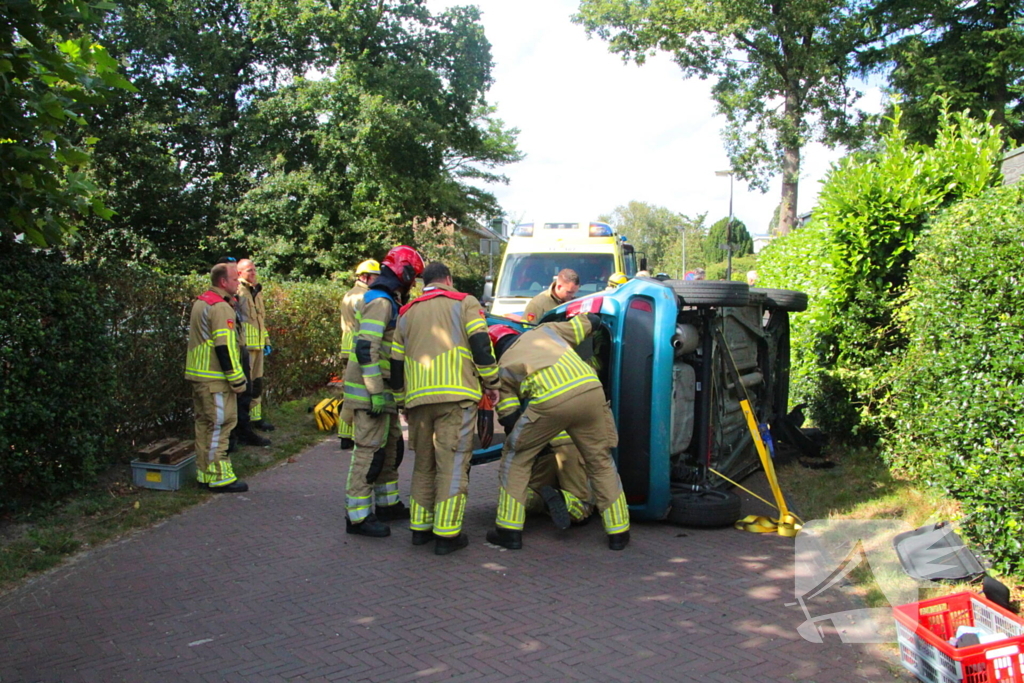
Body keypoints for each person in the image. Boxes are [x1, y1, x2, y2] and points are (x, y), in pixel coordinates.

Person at [486, 316, 631, 551]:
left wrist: (525, 438)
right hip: (590, 391)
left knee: (516, 458)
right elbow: (590, 321)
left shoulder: (502, 367)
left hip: (550, 402)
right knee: (600, 461)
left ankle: (508, 530)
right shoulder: (547, 331)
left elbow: (510, 417)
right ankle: (619, 532)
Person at [390, 262, 500, 555]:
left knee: (424, 464)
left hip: (418, 401)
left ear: (424, 282)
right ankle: (447, 535)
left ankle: (420, 529)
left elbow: (396, 362)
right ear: (449, 279)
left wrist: (402, 400)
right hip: (457, 397)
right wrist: (492, 382)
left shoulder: (406, 312)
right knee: (452, 464)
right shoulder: (465, 302)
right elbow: (480, 344)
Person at [342, 246, 424, 537]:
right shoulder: (380, 301)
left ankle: (387, 505)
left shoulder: (388, 298)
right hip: (370, 392)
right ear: (403, 271)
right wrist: (375, 390)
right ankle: (358, 518)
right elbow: (367, 346)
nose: (413, 283)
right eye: (413, 276)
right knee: (369, 453)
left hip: (383, 390)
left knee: (390, 449)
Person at [184, 263, 249, 493]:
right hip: (215, 380)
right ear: (223, 282)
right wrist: (237, 380)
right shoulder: (220, 308)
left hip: (200, 376)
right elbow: (225, 347)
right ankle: (220, 476)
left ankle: (204, 473)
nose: (238, 283)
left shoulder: (202, 301)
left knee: (204, 426)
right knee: (221, 426)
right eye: (234, 279)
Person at [337, 259, 380, 449]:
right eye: (375, 277)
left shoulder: (349, 294)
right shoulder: (364, 297)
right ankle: (350, 435)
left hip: (347, 345)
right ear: (365, 277)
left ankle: (345, 434)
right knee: (359, 394)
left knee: (349, 392)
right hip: (357, 347)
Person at [525, 433, 594, 528]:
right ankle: (564, 500)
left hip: (540, 445)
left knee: (537, 492)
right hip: (571, 445)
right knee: (583, 504)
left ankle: (524, 499)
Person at [237, 259, 274, 432]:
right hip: (245, 347)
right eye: (249, 271)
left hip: (258, 346)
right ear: (239, 273)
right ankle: (243, 424)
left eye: (254, 270)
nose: (253, 273)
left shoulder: (256, 291)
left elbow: (260, 320)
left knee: (257, 383)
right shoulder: (239, 290)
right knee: (246, 386)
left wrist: (266, 341)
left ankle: (256, 418)